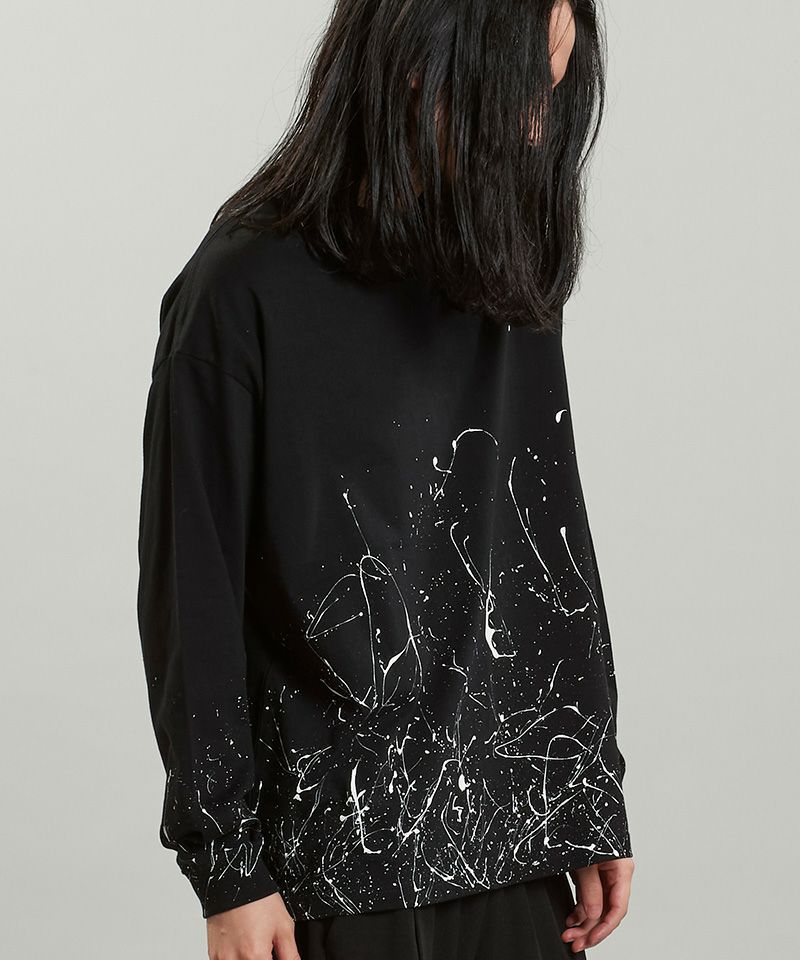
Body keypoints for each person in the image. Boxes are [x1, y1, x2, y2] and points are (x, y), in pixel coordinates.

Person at [136, 1, 635, 957]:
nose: (538, 126)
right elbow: (192, 596)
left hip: (513, 850)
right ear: (419, 60)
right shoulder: (238, 291)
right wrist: (228, 870)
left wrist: (583, 788)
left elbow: (544, 531)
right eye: (520, 88)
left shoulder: (502, 264)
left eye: (554, 92)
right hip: (331, 875)